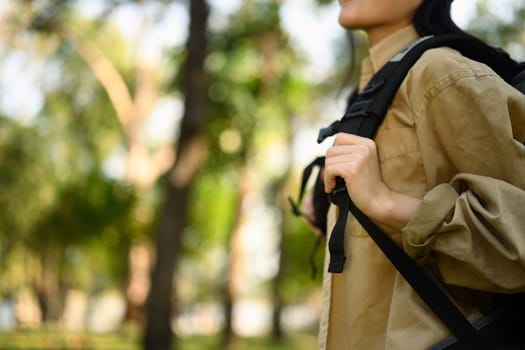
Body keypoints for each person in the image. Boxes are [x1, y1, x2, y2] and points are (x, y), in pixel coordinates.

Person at [304, 0, 525, 349]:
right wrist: (329, 212)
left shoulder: (442, 73)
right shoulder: (372, 90)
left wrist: (385, 203)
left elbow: (517, 242)